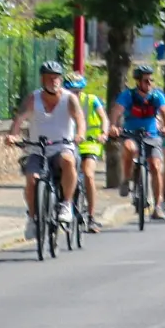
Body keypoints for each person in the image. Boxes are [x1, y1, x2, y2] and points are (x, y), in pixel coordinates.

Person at [4, 60, 82, 240]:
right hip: (37, 149)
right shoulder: (33, 98)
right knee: (31, 180)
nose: (53, 81)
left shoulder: (69, 98)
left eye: (56, 78)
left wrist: (80, 134)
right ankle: (32, 218)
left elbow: (80, 120)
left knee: (68, 161)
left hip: (62, 147)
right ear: (42, 80)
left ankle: (66, 204)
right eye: (49, 78)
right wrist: (13, 135)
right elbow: (19, 119)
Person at [110, 63, 165, 218]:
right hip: (131, 133)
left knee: (156, 166)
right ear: (138, 82)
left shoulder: (157, 96)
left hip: (152, 135)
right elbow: (117, 111)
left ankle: (158, 205)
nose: (149, 83)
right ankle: (126, 178)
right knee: (130, 149)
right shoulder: (128, 95)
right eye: (146, 81)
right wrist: (113, 126)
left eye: (151, 80)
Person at [67, 72, 105, 232]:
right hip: (69, 143)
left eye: (78, 91)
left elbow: (104, 118)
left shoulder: (91, 100)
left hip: (90, 143)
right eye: (71, 91)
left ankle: (91, 217)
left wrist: (103, 132)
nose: (75, 94)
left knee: (88, 174)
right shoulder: (62, 101)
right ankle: (64, 206)